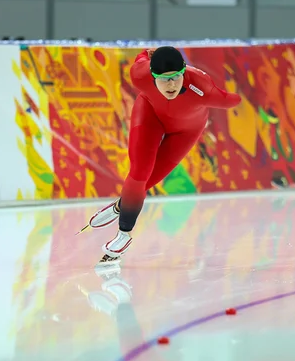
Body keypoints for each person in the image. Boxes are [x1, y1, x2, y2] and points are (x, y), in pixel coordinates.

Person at [86, 46, 241, 265]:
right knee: (139, 173)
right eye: (164, 79)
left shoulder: (201, 86)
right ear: (152, 76)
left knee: (146, 182)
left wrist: (243, 96)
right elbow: (142, 57)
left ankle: (121, 206)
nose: (171, 85)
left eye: (176, 77)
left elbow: (229, 99)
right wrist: (147, 53)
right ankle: (123, 235)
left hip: (186, 132)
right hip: (150, 115)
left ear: (184, 71)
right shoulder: (140, 75)